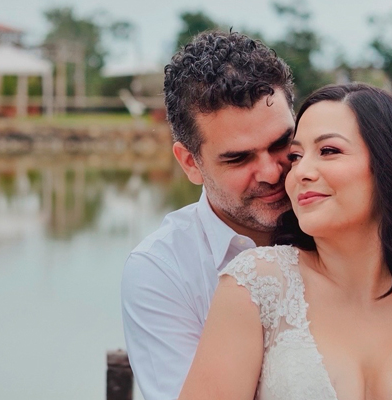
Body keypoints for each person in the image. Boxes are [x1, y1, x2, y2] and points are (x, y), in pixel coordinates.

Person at [178, 83, 392, 400]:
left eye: (329, 150)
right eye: (296, 156)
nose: (300, 172)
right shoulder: (255, 286)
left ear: (390, 166)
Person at [121, 30, 295, 400]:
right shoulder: (162, 269)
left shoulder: (354, 225)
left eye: (282, 143)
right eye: (239, 158)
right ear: (190, 163)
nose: (271, 173)